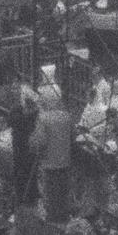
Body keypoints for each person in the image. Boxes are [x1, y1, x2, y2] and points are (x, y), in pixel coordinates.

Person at [32, 87, 75, 227]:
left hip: (49, 163)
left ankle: (53, 224)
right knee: (63, 195)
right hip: (65, 162)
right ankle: (64, 221)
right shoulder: (66, 116)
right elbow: (72, 137)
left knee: (51, 197)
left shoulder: (43, 118)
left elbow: (41, 141)